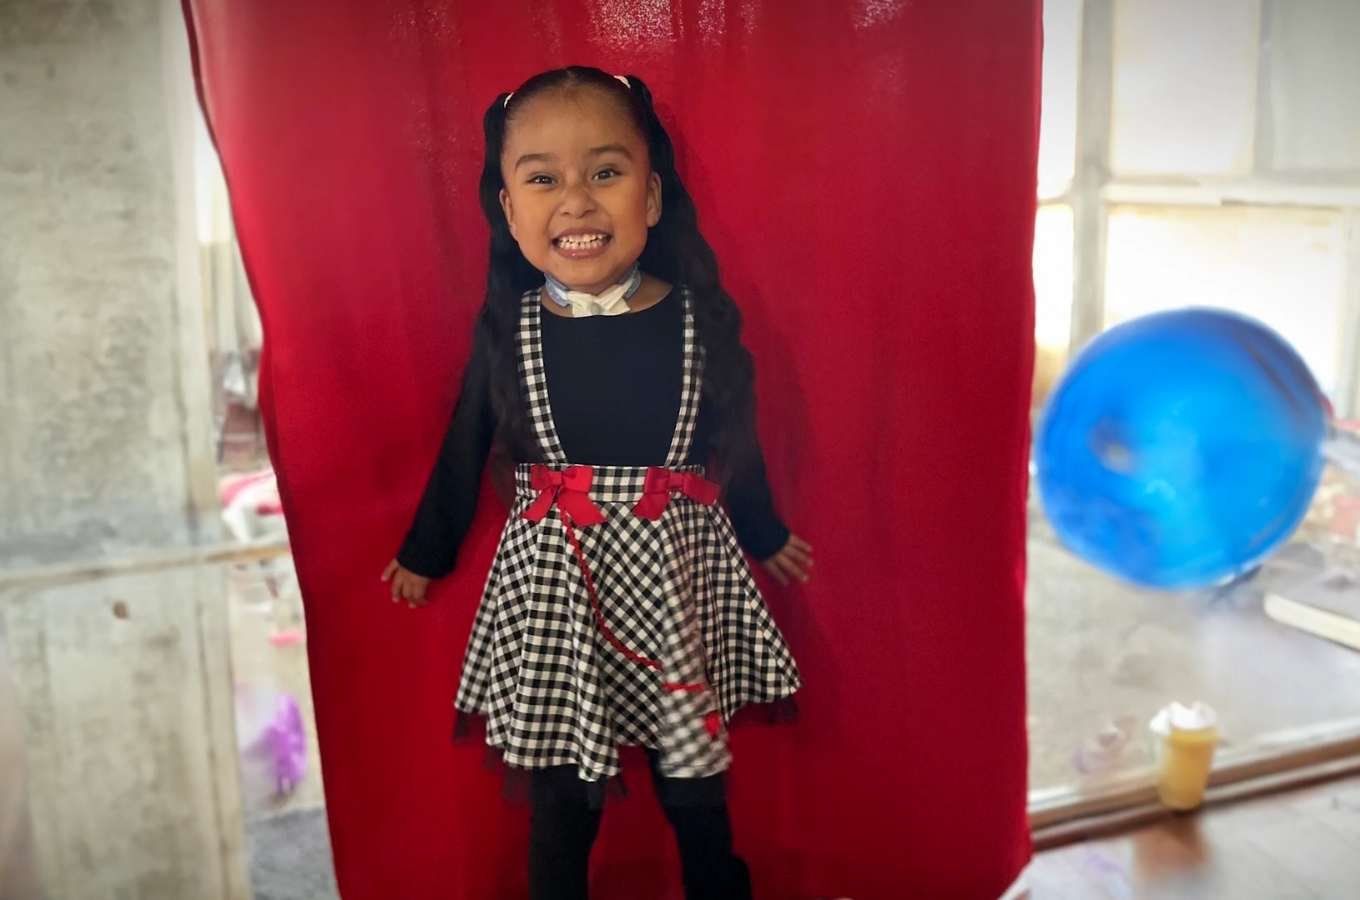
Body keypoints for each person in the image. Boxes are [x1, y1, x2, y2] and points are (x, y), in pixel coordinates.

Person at [381, 66, 810, 900]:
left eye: (604, 174)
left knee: (694, 789)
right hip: (555, 588)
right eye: (543, 179)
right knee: (561, 799)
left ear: (650, 199)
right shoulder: (510, 330)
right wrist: (425, 550)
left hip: (676, 581)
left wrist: (764, 531)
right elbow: (465, 441)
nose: (575, 202)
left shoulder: (697, 320)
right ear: (510, 210)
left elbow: (738, 437)